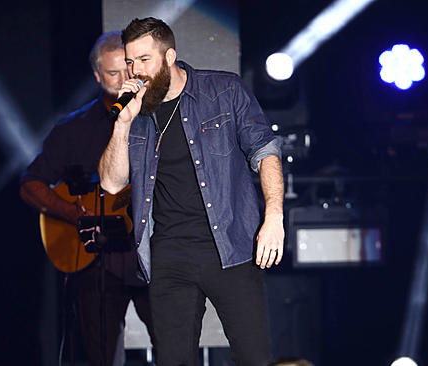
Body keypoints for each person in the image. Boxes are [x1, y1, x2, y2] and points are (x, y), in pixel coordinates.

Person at [98, 17, 285, 366]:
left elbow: (265, 151)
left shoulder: (224, 90)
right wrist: (122, 126)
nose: (134, 71)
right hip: (169, 253)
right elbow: (110, 183)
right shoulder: (136, 114)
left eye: (144, 60)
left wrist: (273, 215)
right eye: (129, 62)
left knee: (255, 357)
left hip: (230, 246)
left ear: (169, 57)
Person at [20, 31, 154, 366]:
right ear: (97, 77)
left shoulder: (160, 120)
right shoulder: (73, 129)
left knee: (175, 346)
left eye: (128, 69)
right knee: (99, 356)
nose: (125, 80)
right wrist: (74, 214)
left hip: (155, 254)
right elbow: (31, 184)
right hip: (98, 261)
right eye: (113, 74)